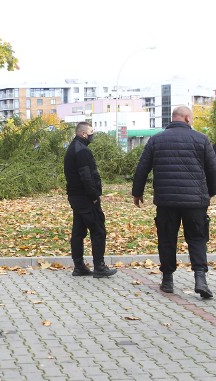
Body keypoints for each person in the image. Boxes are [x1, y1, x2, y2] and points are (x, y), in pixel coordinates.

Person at [132, 105, 216, 298]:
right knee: (197, 238)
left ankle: (167, 280)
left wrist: (137, 192)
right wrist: (209, 193)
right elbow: (213, 170)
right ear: (187, 118)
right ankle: (200, 279)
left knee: (167, 238)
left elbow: (142, 168)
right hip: (195, 202)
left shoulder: (156, 140)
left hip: (166, 201)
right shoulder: (202, 139)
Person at [63, 121, 117, 278]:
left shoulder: (73, 148)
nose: (93, 134)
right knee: (98, 229)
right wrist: (94, 196)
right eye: (91, 132)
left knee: (79, 231)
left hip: (75, 197)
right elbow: (86, 176)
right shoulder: (82, 151)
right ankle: (99, 266)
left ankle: (79, 266)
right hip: (85, 198)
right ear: (83, 134)